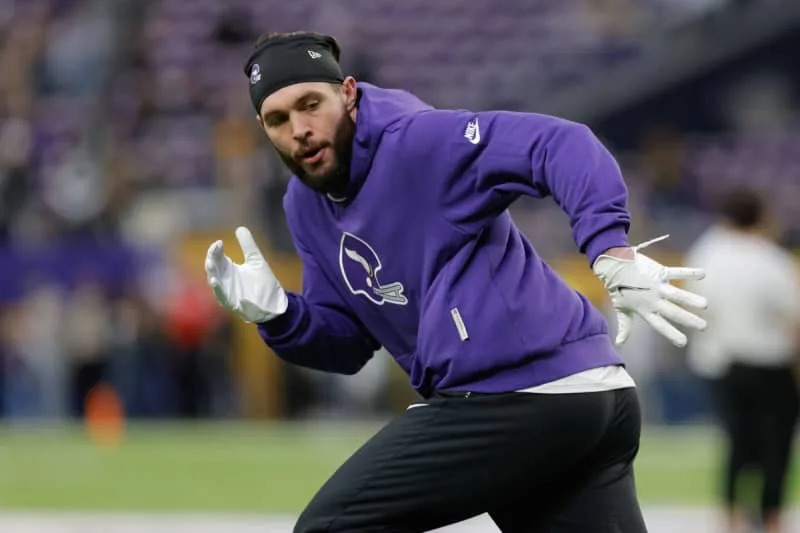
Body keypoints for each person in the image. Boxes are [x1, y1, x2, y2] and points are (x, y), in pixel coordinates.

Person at [204, 31, 708, 532]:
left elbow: (559, 143)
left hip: (521, 394)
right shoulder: (304, 205)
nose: (300, 129)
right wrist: (280, 316)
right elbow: (349, 342)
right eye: (278, 119)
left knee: (332, 527)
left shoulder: (420, 143)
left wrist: (610, 248)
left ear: (349, 93)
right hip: (584, 399)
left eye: (310, 104)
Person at [685, 189, 800, 533]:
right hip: (770, 364)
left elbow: (694, 306)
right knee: (776, 446)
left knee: (736, 442)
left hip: (721, 363)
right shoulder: (770, 259)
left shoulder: (704, 253)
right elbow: (793, 317)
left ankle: (730, 516)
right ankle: (771, 517)